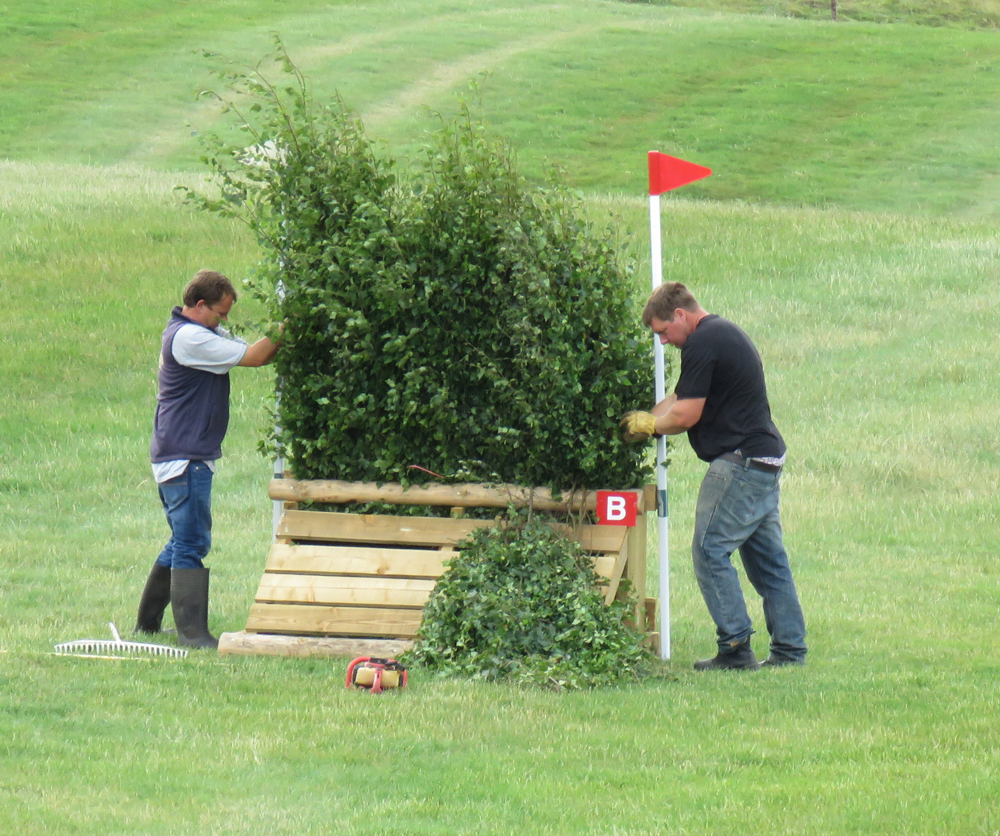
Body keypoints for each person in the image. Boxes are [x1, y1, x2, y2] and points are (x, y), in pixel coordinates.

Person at [621, 282, 806, 670]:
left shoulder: (704, 341)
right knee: (768, 562)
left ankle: (736, 648)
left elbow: (686, 416)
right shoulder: (719, 334)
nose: (664, 341)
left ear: (680, 316)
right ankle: (789, 652)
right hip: (765, 459)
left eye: (663, 332)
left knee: (709, 550)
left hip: (740, 462)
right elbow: (677, 399)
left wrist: (652, 427)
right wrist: (643, 420)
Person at [134, 270, 281, 649]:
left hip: (178, 453)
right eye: (220, 312)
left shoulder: (196, 333)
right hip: (186, 456)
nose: (223, 320)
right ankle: (193, 634)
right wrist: (291, 324)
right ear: (200, 305)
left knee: (182, 539)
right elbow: (257, 355)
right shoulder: (191, 337)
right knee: (192, 541)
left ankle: (148, 625)